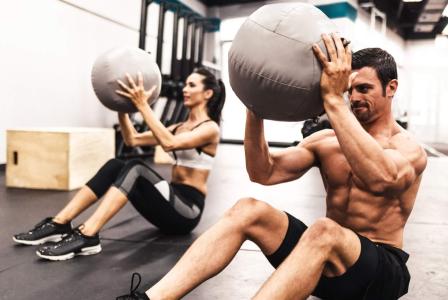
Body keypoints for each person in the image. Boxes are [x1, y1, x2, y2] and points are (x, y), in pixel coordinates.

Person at [116, 33, 427, 300]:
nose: (353, 97)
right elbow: (263, 172)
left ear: (391, 87)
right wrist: (256, 107)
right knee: (248, 209)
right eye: (349, 90)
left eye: (364, 89)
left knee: (325, 230)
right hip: (326, 268)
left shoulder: (408, 148)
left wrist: (332, 101)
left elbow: (382, 178)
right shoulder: (326, 141)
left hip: (380, 275)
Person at [13, 67, 226, 261]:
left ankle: (88, 234)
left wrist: (143, 104)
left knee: (136, 167)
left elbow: (169, 144)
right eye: (186, 84)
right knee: (116, 164)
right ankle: (59, 223)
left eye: (192, 85)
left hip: (187, 211)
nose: (185, 89)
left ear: (208, 94)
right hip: (168, 200)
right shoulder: (178, 126)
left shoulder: (210, 129)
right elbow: (132, 139)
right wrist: (121, 107)